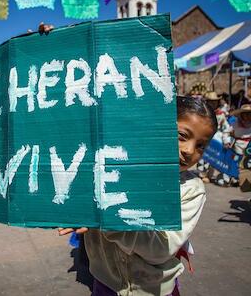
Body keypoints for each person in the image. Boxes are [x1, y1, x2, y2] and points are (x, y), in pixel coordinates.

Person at [59, 96, 218, 296]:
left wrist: (107, 220)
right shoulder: (107, 169)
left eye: (201, 145)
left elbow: (161, 249)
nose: (189, 150)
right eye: (181, 135)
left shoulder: (190, 190)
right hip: (104, 283)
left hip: (155, 290)